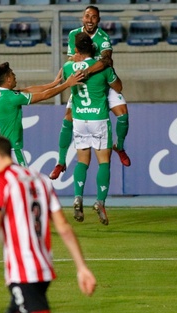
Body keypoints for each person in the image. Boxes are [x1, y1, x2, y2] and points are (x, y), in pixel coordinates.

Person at [0, 135, 97, 313]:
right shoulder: (40, 179)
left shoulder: (0, 181)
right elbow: (63, 227)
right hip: (43, 266)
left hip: (23, 270)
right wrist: (81, 267)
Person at [49, 5, 130, 180]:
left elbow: (107, 60)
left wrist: (87, 70)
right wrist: (82, 68)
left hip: (102, 82)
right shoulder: (74, 35)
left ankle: (120, 147)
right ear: (82, 18)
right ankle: (61, 161)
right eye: (87, 16)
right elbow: (73, 58)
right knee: (68, 117)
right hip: (83, 83)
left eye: (94, 17)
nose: (90, 20)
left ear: (98, 20)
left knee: (123, 114)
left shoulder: (103, 37)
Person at [65, 32, 123, 226]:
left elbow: (63, 81)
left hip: (79, 118)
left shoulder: (67, 68)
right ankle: (100, 201)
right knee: (104, 161)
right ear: (93, 48)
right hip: (98, 118)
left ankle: (77, 197)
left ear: (76, 49)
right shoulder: (103, 69)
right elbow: (118, 87)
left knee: (82, 161)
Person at [0, 62, 84, 167]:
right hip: (11, 148)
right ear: (8, 79)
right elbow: (44, 95)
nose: (15, 76)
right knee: (25, 180)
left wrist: (53, 84)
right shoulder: (12, 98)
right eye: (12, 74)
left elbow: (27, 90)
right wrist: (67, 84)